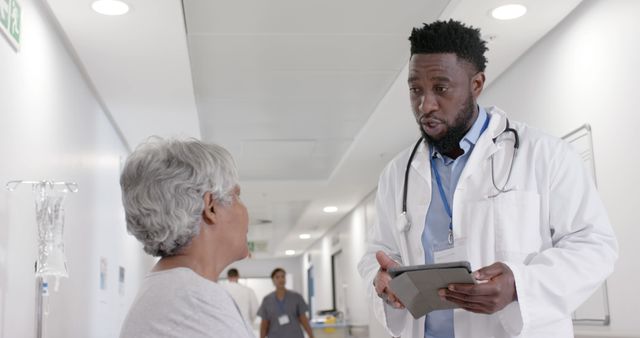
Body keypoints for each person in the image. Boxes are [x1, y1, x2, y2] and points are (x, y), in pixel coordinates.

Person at [357, 19, 618, 338]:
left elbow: (594, 246)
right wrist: (381, 280)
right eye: (415, 90)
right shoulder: (397, 174)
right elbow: (377, 253)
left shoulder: (545, 154)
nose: (425, 105)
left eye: (440, 88)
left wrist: (519, 285)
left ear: (476, 84)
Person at [119, 137, 254, 338]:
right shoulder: (198, 302)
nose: (245, 209)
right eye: (237, 197)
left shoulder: (172, 292)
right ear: (210, 207)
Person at [257, 268, 314, 338]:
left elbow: (304, 320)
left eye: (283, 276)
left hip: (295, 335)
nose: (281, 279)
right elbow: (264, 324)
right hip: (275, 335)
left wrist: (311, 336)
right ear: (273, 280)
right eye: (277, 277)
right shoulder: (267, 300)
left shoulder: (296, 297)